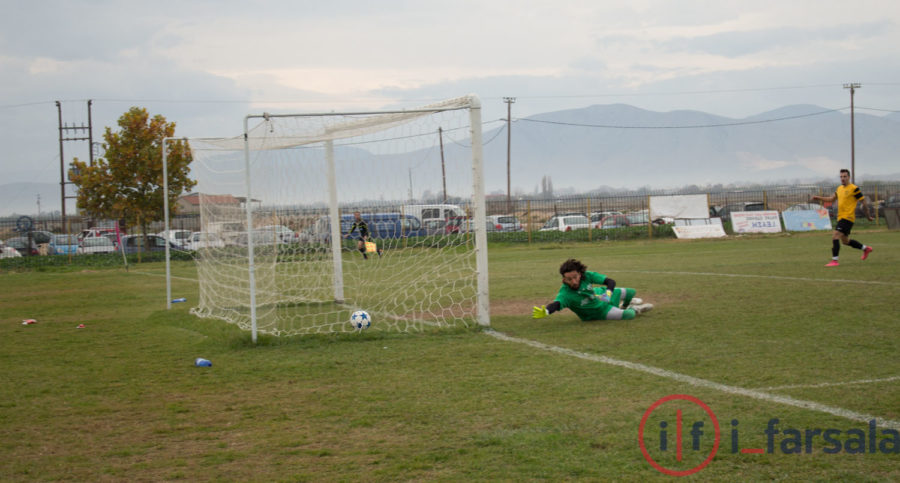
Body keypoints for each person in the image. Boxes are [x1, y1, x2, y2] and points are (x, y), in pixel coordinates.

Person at [532, 258, 652, 322]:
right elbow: (557, 304)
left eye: (575, 277)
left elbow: (610, 282)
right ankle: (634, 308)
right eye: (569, 279)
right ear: (563, 279)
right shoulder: (565, 294)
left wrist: (607, 294)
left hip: (601, 297)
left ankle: (625, 305)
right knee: (629, 315)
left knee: (631, 292)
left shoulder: (587, 275)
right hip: (600, 312)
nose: (573, 281)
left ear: (580, 274)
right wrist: (547, 311)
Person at [810, 169, 874, 267]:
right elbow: (831, 199)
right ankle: (865, 248)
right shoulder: (839, 188)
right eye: (841, 177)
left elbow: (863, 202)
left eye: (845, 176)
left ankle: (834, 261)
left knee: (835, 235)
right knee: (845, 241)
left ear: (849, 177)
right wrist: (818, 198)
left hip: (848, 218)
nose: (842, 178)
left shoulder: (854, 188)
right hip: (841, 218)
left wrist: (868, 215)